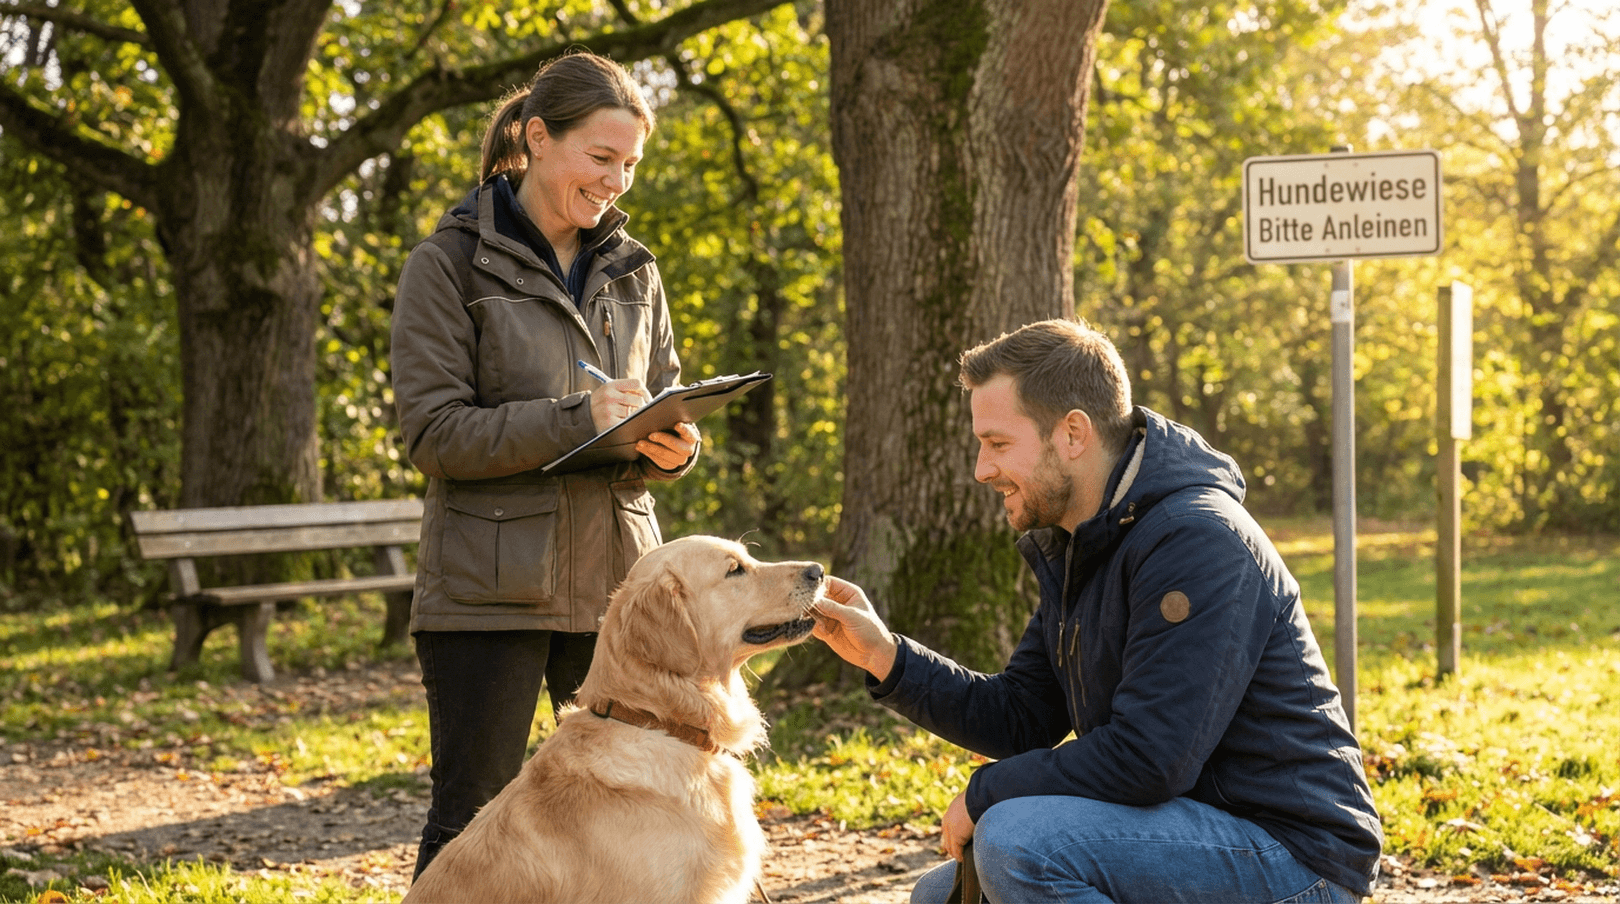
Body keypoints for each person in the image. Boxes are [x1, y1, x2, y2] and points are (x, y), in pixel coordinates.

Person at [812, 319, 1382, 903]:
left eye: (998, 444)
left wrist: (985, 794)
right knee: (942, 895)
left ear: (1073, 434)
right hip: (1188, 829)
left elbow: (1149, 758)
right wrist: (884, 656)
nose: (982, 470)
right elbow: (1021, 716)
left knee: (1017, 845)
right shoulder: (1084, 542)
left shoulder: (1197, 539)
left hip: (1295, 855)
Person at [389, 50, 700, 880]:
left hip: (618, 590)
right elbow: (435, 434)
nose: (616, 182)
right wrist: (577, 418)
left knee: (647, 805)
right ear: (535, 138)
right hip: (489, 597)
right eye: (601, 158)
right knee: (474, 820)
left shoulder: (637, 272)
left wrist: (677, 447)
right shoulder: (446, 265)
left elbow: (662, 394)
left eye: (630, 164)